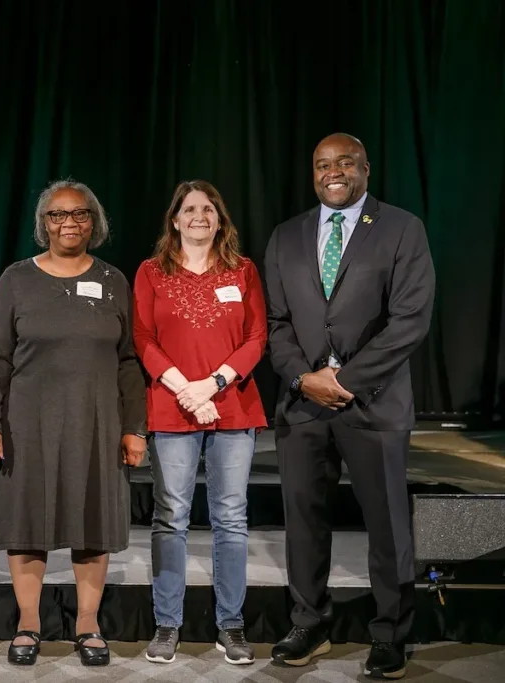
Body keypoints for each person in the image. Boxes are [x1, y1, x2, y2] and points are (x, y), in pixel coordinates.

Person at [264, 133, 435, 679]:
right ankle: (309, 624)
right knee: (304, 524)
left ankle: (391, 633)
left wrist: (346, 381)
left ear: (365, 168)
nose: (332, 172)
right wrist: (303, 378)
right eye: (322, 165)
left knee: (387, 525)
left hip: (374, 404)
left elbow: (410, 319)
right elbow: (276, 323)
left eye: (344, 163)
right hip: (303, 407)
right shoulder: (287, 235)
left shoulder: (401, 227)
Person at [0, 179, 147, 668]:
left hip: (97, 423)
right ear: (43, 223)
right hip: (26, 424)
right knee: (27, 523)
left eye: (80, 214)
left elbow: (128, 360)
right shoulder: (16, 279)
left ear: (95, 222)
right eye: (58, 214)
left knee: (92, 522)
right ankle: (28, 624)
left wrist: (135, 427)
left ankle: (88, 626)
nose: (69, 222)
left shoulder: (113, 280)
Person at [132, 180, 268, 666]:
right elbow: (142, 338)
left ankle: (230, 625)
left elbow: (256, 337)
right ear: (174, 219)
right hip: (172, 407)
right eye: (189, 209)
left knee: (231, 518)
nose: (199, 216)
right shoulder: (151, 272)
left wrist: (211, 385)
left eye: (208, 209)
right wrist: (185, 390)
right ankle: (167, 624)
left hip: (232, 405)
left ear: (219, 218)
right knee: (171, 517)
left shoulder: (243, 270)